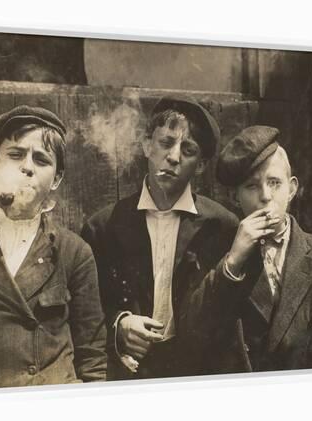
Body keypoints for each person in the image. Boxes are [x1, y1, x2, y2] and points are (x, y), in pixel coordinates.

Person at [81, 96, 238, 380]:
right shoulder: (103, 227)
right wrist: (120, 325)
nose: (174, 156)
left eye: (188, 150)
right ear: (146, 146)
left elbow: (230, 314)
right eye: (166, 143)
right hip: (129, 378)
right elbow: (86, 310)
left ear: (201, 165)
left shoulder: (222, 227)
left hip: (198, 376)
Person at [0, 105, 107, 390]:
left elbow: (92, 356)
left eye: (42, 160)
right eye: (15, 154)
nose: (27, 167)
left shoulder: (74, 252)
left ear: (57, 178)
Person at [184, 125, 312, 374]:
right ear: (234, 197)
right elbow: (193, 331)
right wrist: (233, 262)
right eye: (252, 186)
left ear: (292, 188)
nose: (265, 196)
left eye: (274, 183)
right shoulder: (215, 252)